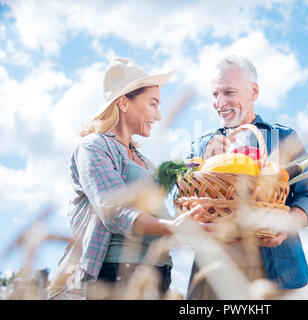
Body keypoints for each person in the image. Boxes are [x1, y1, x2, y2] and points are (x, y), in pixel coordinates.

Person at [48, 58, 206, 300]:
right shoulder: (94, 147)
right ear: (123, 102)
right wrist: (173, 228)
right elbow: (114, 211)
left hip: (159, 273)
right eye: (153, 104)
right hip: (119, 275)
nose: (159, 115)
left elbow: (158, 214)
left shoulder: (143, 160)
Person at [187, 55, 308, 300]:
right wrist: (202, 165)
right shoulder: (202, 145)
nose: (219, 102)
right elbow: (177, 199)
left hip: (283, 275)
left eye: (229, 92)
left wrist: (287, 223)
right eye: (214, 94)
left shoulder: (283, 138)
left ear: (254, 92)